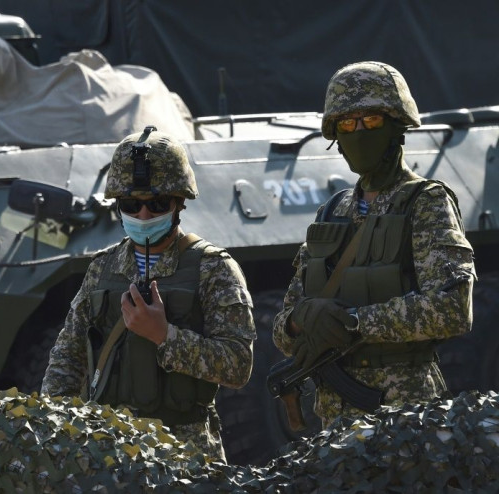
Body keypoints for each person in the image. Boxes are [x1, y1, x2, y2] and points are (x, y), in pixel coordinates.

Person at [272, 61, 476, 428]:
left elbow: (453, 308)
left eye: (372, 120)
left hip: (406, 416)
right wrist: (299, 322)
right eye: (348, 124)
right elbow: (282, 327)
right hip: (335, 423)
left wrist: (355, 323)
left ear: (398, 125)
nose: (360, 131)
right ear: (335, 134)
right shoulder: (332, 212)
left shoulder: (425, 202)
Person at [41, 126, 255, 462]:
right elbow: (67, 358)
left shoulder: (212, 268)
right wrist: (59, 429)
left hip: (185, 454)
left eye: (157, 204)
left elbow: (238, 366)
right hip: (110, 453)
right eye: (131, 204)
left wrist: (165, 337)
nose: (143, 215)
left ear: (179, 203)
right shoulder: (103, 268)